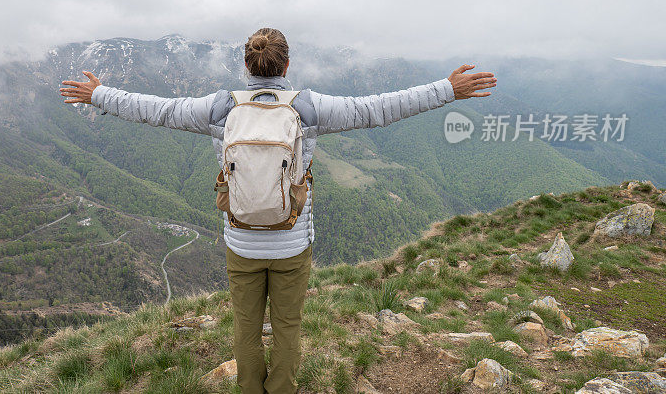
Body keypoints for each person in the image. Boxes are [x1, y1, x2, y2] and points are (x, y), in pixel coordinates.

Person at [59, 28, 496, 393]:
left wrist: (98, 95)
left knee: (246, 330)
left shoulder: (221, 108)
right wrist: (446, 90)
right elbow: (380, 108)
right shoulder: (307, 108)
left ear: (246, 67)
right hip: (290, 244)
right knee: (287, 328)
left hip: (241, 242)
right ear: (286, 67)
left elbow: (155, 109)